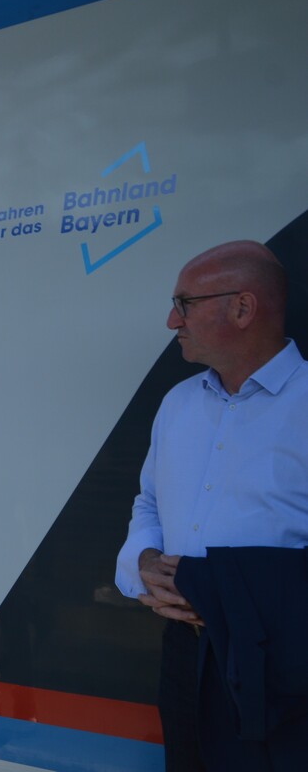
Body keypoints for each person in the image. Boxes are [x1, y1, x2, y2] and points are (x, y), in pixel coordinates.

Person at [115, 240, 308, 770]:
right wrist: (143, 562)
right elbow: (149, 503)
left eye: (185, 304)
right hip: (186, 652)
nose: (171, 320)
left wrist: (238, 597)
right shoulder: (178, 403)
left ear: (243, 308)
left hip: (283, 662)